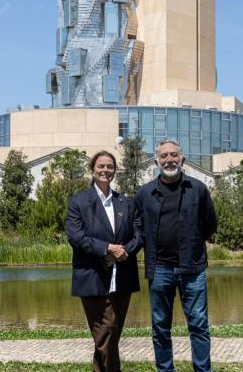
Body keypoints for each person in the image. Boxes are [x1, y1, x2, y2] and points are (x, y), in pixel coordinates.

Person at [134, 139, 217, 372]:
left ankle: (202, 369)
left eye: (173, 155)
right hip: (159, 269)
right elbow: (138, 227)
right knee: (160, 326)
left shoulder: (198, 189)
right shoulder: (144, 194)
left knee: (199, 325)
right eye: (164, 156)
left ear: (182, 159)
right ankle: (165, 370)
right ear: (156, 161)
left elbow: (210, 224)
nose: (169, 160)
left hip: (193, 268)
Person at [66, 150, 143, 372]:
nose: (105, 170)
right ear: (93, 169)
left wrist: (124, 251)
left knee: (112, 332)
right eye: (101, 166)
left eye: (110, 166)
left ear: (115, 171)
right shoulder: (78, 202)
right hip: (92, 277)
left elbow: (139, 234)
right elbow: (76, 237)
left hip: (123, 278)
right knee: (106, 329)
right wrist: (107, 249)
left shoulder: (125, 202)